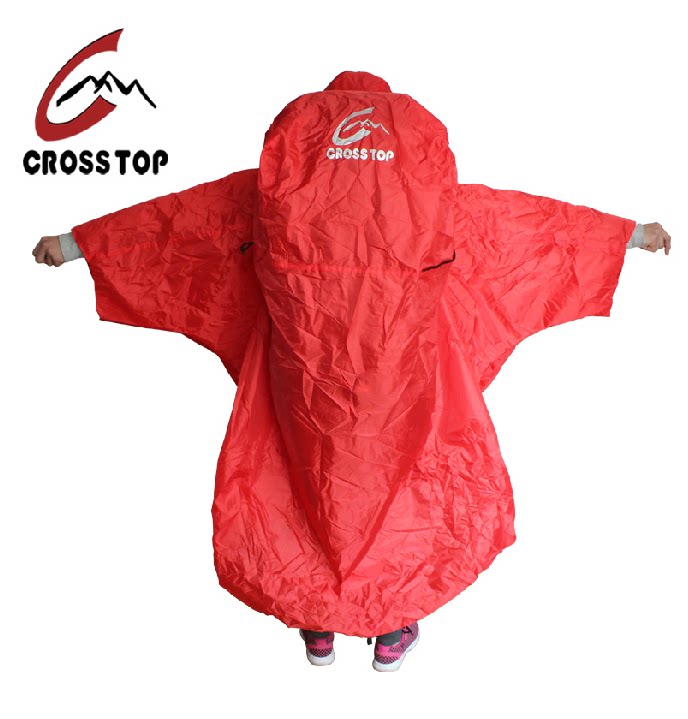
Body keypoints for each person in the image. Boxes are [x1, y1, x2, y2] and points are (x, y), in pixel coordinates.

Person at [31, 70, 673, 673]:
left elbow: (171, 227)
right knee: (412, 479)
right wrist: (630, 235)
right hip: (407, 383)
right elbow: (534, 230)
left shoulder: (263, 198)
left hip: (301, 386)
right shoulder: (436, 205)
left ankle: (318, 622)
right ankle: (391, 627)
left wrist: (74, 245)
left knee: (294, 475)